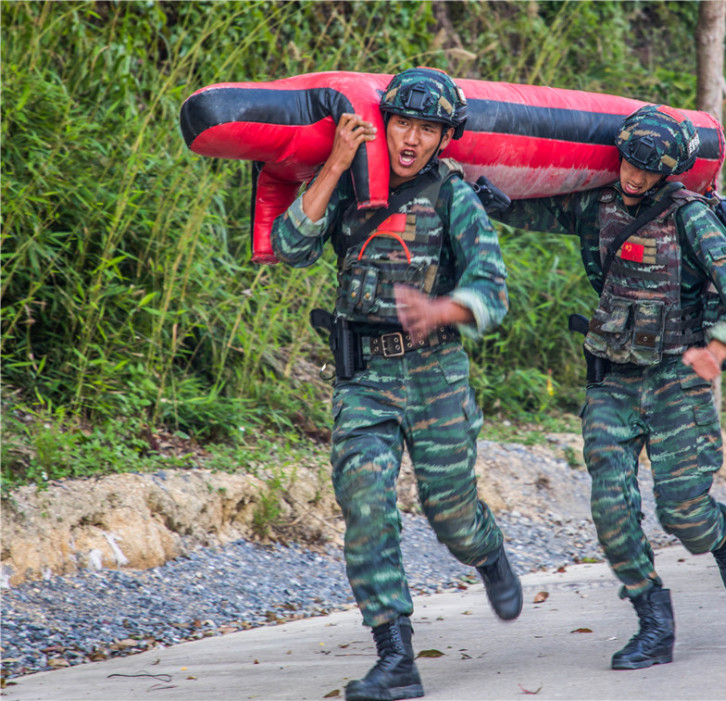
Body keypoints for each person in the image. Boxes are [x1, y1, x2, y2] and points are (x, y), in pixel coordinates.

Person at [271, 67, 522, 701]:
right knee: (366, 502)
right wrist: (333, 165)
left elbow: (494, 293)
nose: (410, 139)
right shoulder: (352, 183)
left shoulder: (453, 199)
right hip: (364, 378)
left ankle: (488, 553)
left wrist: (443, 310)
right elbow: (290, 246)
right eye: (402, 123)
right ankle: (395, 657)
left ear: (444, 138)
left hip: (435, 375)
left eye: (427, 129)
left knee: (451, 515)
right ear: (384, 123)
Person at [488, 104, 726, 670]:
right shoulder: (599, 204)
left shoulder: (690, 216)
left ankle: (721, 534)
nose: (634, 177)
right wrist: (496, 201)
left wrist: (720, 348)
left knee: (682, 511)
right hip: (611, 378)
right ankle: (652, 623)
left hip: (675, 380)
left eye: (648, 169)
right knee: (611, 509)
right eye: (629, 164)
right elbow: (539, 212)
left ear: (668, 172)